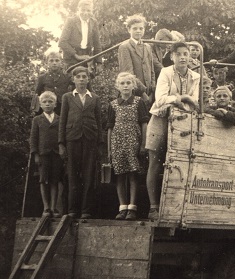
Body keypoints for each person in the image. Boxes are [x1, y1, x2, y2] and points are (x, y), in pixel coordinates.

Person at [146, 41, 200, 220]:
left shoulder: (195, 76)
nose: (183, 57)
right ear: (172, 57)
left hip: (183, 122)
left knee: (180, 163)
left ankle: (175, 208)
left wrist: (178, 100)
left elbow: (196, 102)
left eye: (186, 54)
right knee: (155, 162)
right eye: (179, 54)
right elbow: (160, 99)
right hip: (161, 119)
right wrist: (182, 98)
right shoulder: (165, 72)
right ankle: (153, 207)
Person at [58, 66, 102, 219]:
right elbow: (62, 120)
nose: (82, 79)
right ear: (73, 79)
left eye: (84, 77)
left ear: (88, 79)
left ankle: (85, 210)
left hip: (90, 139)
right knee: (72, 174)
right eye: (79, 77)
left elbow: (99, 121)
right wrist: (61, 143)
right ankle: (72, 209)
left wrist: (99, 144)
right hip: (72, 139)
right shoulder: (67, 97)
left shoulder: (94, 98)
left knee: (89, 175)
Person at [107, 72, 149, 220]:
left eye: (128, 83)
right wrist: (109, 149)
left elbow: (144, 124)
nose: (125, 86)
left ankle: (132, 208)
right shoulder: (113, 104)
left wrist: (143, 144)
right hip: (117, 143)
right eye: (122, 83)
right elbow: (110, 127)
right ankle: (122, 207)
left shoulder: (139, 102)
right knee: (119, 175)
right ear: (118, 86)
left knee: (133, 174)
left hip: (134, 141)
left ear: (133, 85)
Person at [30, 91, 64, 218]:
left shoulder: (60, 119)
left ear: (55, 104)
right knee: (43, 180)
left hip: (56, 154)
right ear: (40, 104)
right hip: (43, 154)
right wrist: (35, 154)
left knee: (55, 180)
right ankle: (46, 207)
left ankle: (54, 207)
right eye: (44, 102)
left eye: (50, 102)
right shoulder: (37, 120)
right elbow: (33, 138)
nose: (47, 104)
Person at [118, 14, 155, 103]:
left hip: (150, 93)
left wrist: (153, 89)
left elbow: (152, 71)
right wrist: (142, 93)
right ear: (129, 30)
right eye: (135, 28)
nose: (138, 31)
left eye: (141, 28)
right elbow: (128, 74)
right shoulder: (125, 47)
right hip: (134, 93)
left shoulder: (147, 47)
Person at [58, 0, 102, 73]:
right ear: (78, 9)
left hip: (87, 59)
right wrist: (77, 56)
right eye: (83, 10)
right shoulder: (71, 21)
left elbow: (97, 44)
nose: (85, 13)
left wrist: (99, 63)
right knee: (73, 80)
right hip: (71, 58)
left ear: (92, 11)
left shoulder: (93, 22)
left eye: (88, 10)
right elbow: (62, 42)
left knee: (86, 81)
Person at [34, 51, 74, 115]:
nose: (54, 63)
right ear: (47, 63)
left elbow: (78, 86)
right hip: (48, 108)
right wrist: (36, 111)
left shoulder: (67, 76)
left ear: (61, 62)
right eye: (51, 61)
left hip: (63, 107)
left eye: (57, 60)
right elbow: (37, 94)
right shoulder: (42, 77)